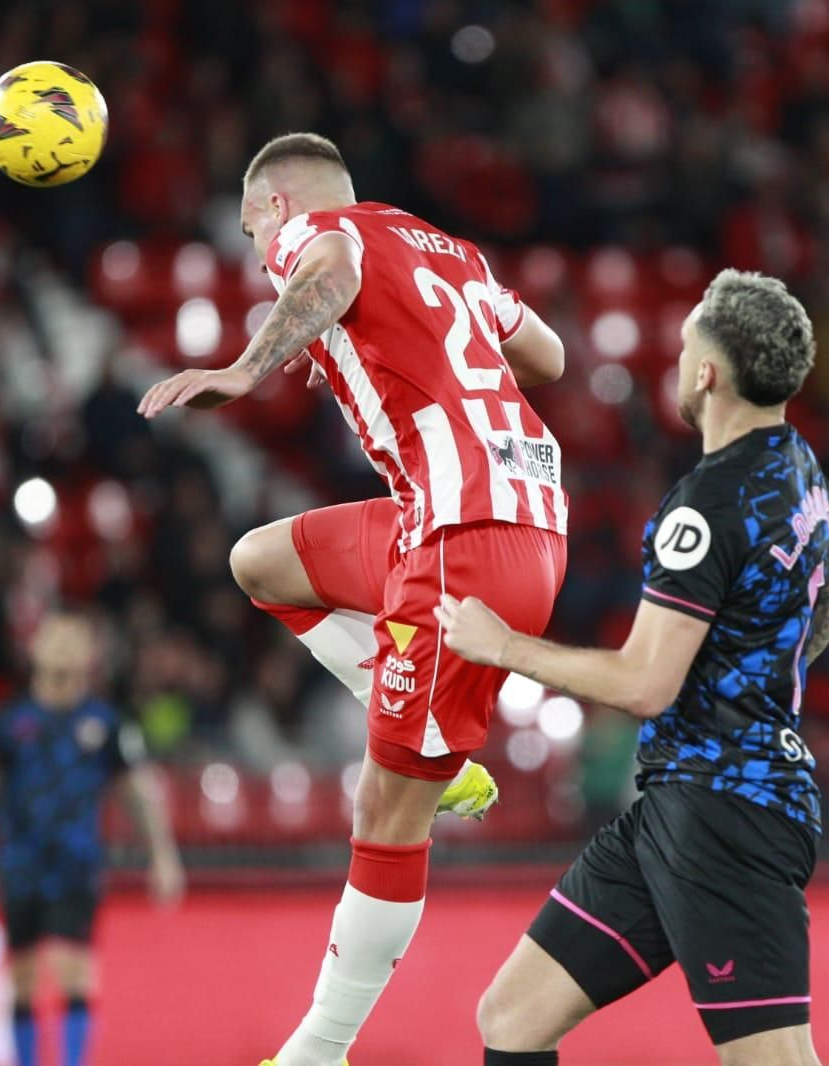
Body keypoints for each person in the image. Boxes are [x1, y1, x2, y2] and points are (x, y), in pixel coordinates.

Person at [138, 132, 569, 1066]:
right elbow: (549, 355)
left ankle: (318, 1053)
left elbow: (324, 272)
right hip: (508, 517)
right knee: (261, 563)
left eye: (257, 234)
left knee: (384, 815)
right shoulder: (442, 246)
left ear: (280, 208)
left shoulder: (318, 237)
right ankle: (434, 752)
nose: (262, 256)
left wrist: (248, 368)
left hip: (463, 542)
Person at [437, 269, 829, 1066]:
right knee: (513, 1015)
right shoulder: (799, 467)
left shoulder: (703, 508)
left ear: (707, 372)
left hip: (726, 811)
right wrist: (756, 678)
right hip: (687, 800)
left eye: (688, 340)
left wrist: (504, 648)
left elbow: (645, 684)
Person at [0, 613, 184, 1066]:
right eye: (56, 645)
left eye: (74, 647)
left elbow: (138, 792)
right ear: (37, 654)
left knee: (75, 971)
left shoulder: (106, 725)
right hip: (21, 860)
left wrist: (163, 855)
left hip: (76, 861)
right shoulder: (9, 722)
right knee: (23, 974)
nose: (64, 656)